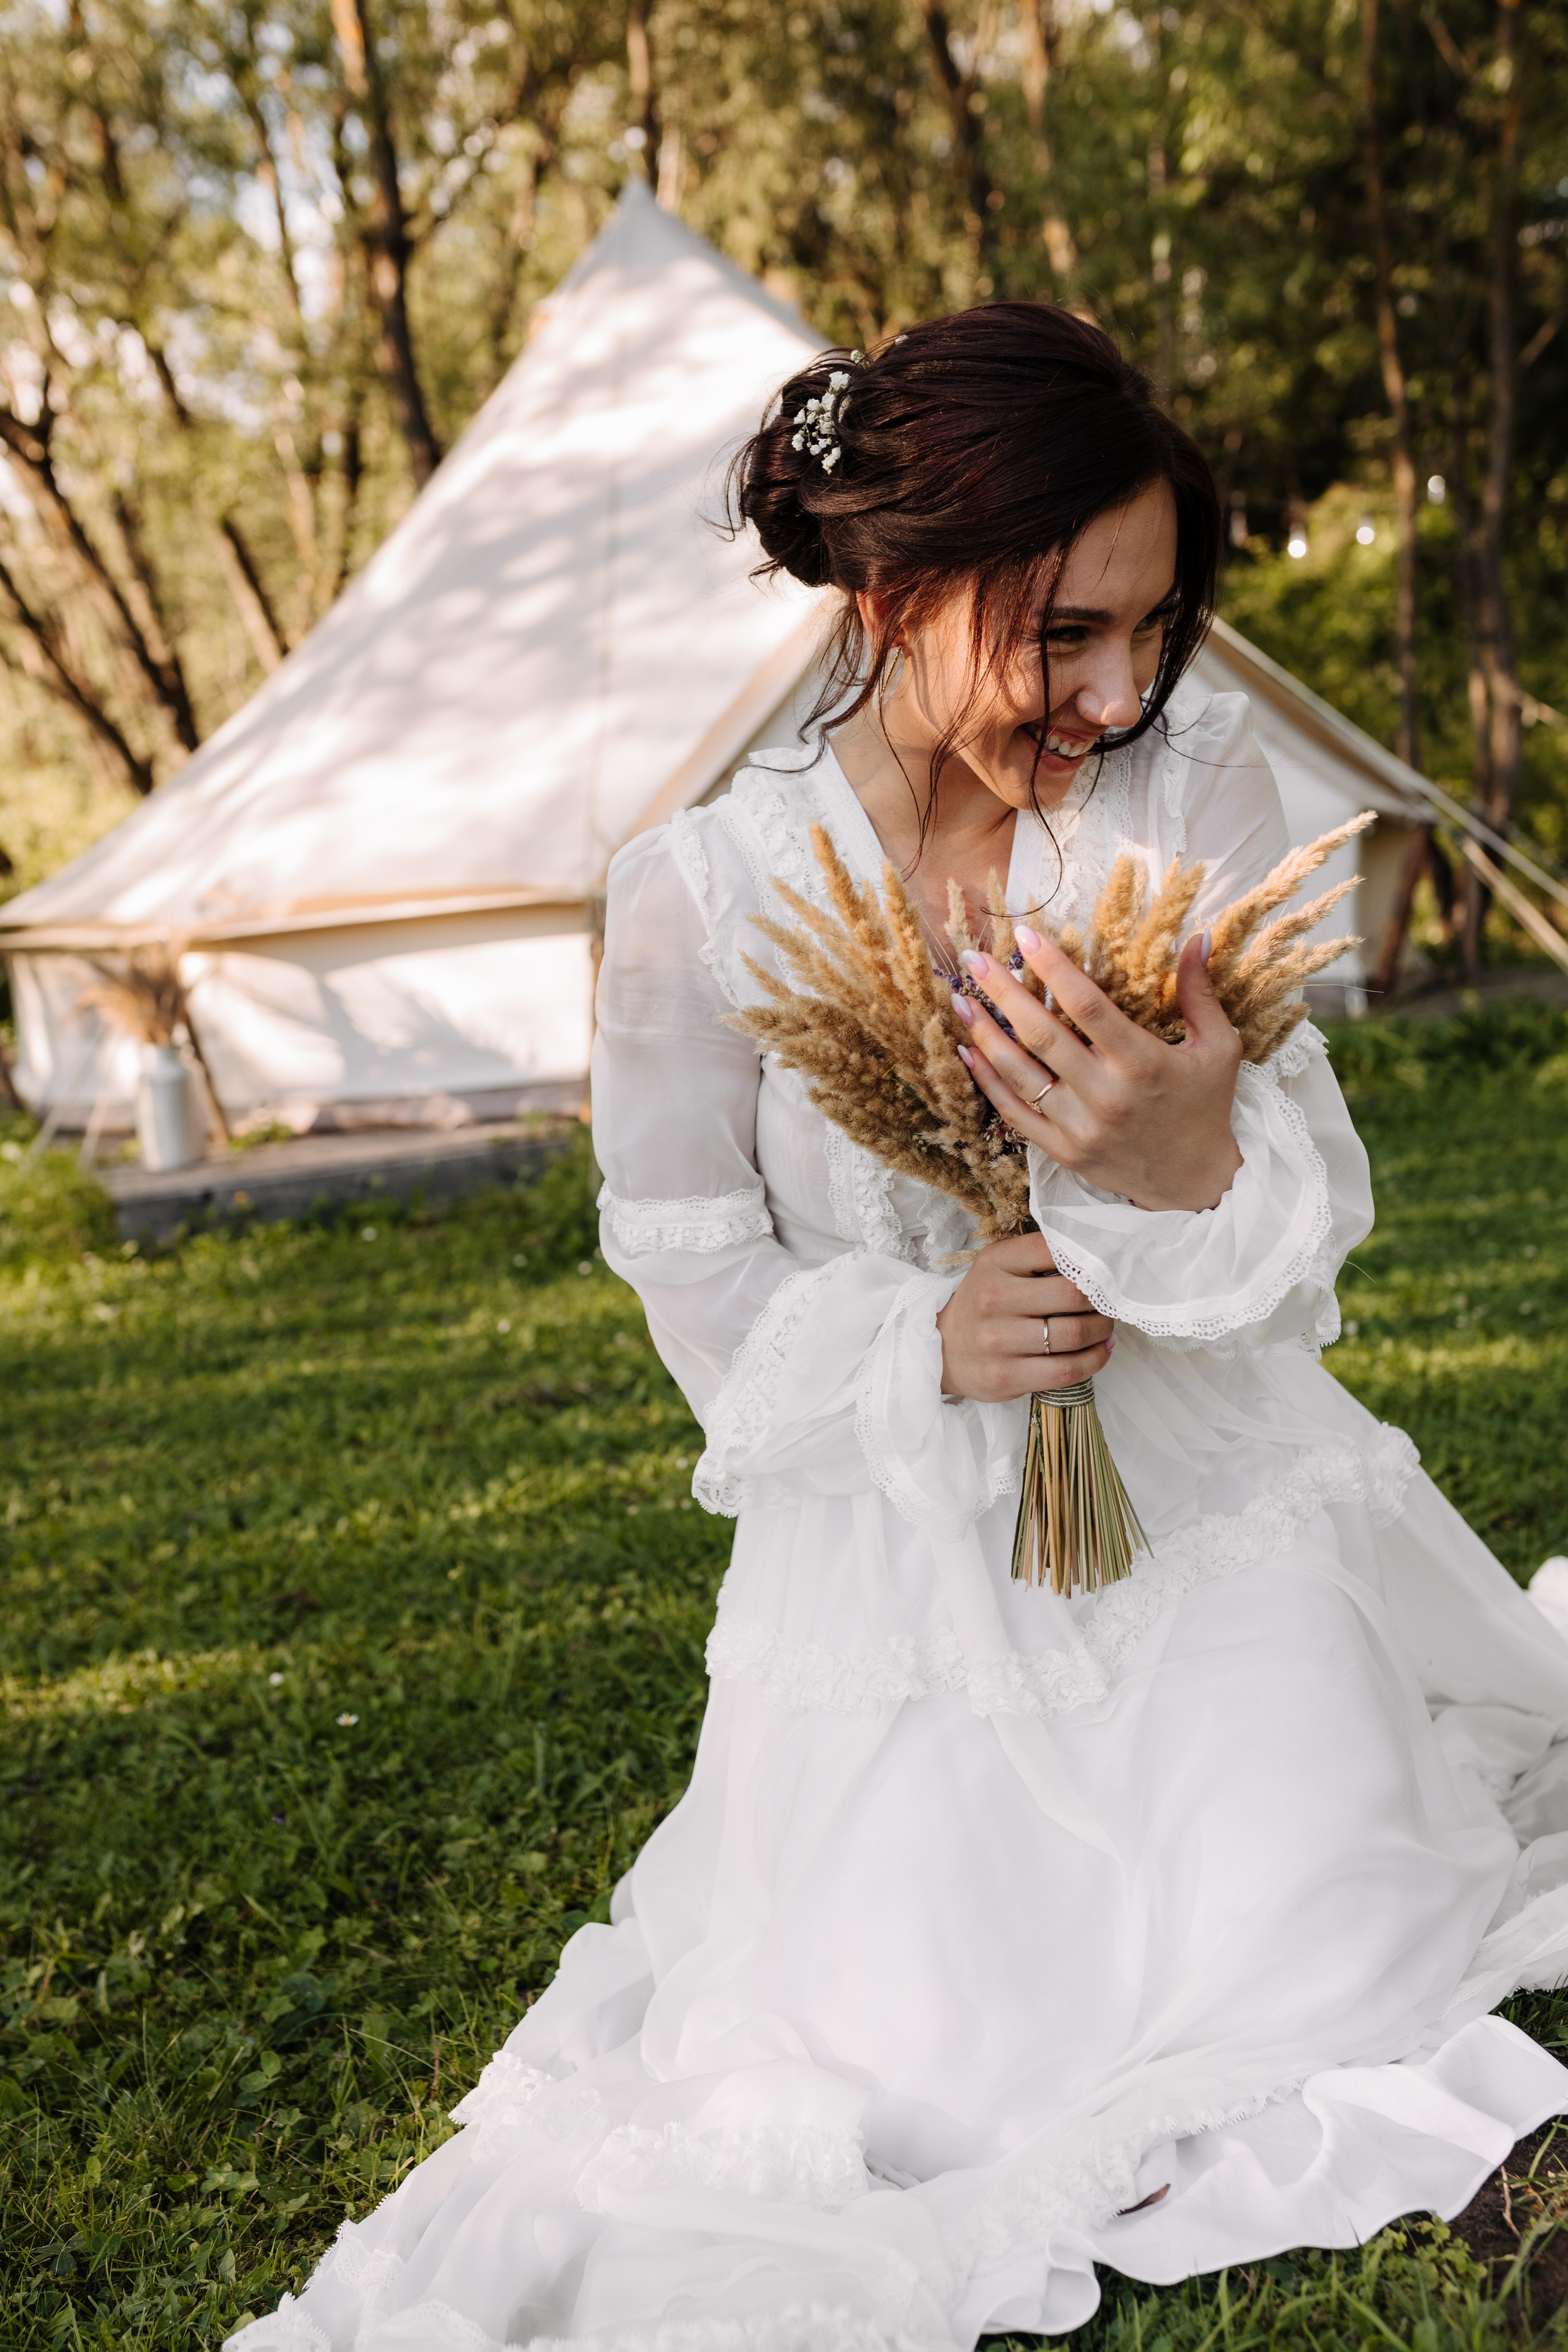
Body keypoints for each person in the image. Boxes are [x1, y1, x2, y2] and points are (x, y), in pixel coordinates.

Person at [230, 306, 1568, 2352]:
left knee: (1325, 1914)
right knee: (903, 2052)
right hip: (897, 1557)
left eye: (1153, 628)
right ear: (898, 584)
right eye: (1065, 636)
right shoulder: (697, 895)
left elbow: (1297, 1248)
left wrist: (1190, 1148)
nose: (1120, 693)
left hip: (1203, 1500)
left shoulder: (1194, 788)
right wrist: (922, 1343)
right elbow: (690, 1270)